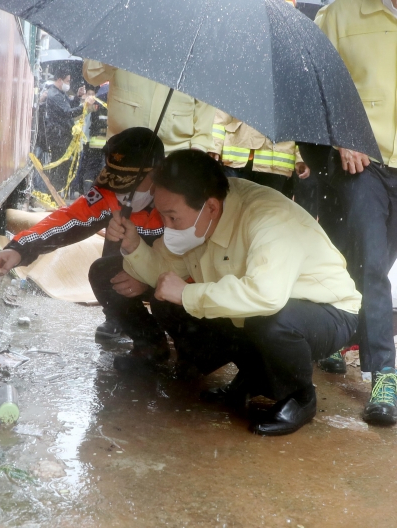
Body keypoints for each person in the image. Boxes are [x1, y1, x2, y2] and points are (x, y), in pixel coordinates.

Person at [107, 150, 360, 435]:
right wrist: (132, 246)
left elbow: (266, 296)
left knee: (266, 320)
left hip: (327, 311)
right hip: (265, 307)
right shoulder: (199, 213)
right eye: (161, 214)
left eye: (172, 217)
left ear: (211, 208)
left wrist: (189, 295)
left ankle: (300, 397)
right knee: (181, 301)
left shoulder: (269, 219)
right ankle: (251, 378)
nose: (166, 225)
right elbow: (165, 277)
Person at [0, 128, 166, 367]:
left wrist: (149, 280)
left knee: (178, 310)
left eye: (131, 185)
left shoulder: (176, 201)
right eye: (116, 182)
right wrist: (18, 249)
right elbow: (67, 220)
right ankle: (148, 343)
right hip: (130, 277)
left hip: (173, 284)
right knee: (103, 272)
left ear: (157, 174)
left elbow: (192, 266)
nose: (121, 194)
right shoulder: (108, 193)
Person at [316, 0, 397, 425]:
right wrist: (342, 137)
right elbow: (319, 85)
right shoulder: (341, 15)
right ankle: (384, 374)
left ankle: (337, 331)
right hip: (365, 161)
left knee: (370, 263)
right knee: (372, 267)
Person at [83, 59, 215, 154]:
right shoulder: (125, 26)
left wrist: (197, 152)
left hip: (175, 157)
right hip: (123, 151)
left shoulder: (197, 47)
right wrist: (117, 49)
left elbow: (205, 106)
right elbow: (91, 75)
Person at [210, 110, 310, 196]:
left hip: (274, 164)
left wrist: (302, 157)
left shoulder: (292, 88)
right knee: (233, 212)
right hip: (237, 159)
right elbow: (220, 115)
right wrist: (214, 146)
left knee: (266, 214)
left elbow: (300, 121)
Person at [43, 68, 94, 191]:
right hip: (58, 137)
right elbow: (67, 112)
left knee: (63, 166)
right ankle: (54, 192)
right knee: (60, 167)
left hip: (62, 135)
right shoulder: (54, 94)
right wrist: (84, 105)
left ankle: (57, 192)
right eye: (67, 81)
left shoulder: (60, 93)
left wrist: (77, 97)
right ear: (60, 80)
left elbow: (68, 106)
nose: (68, 84)